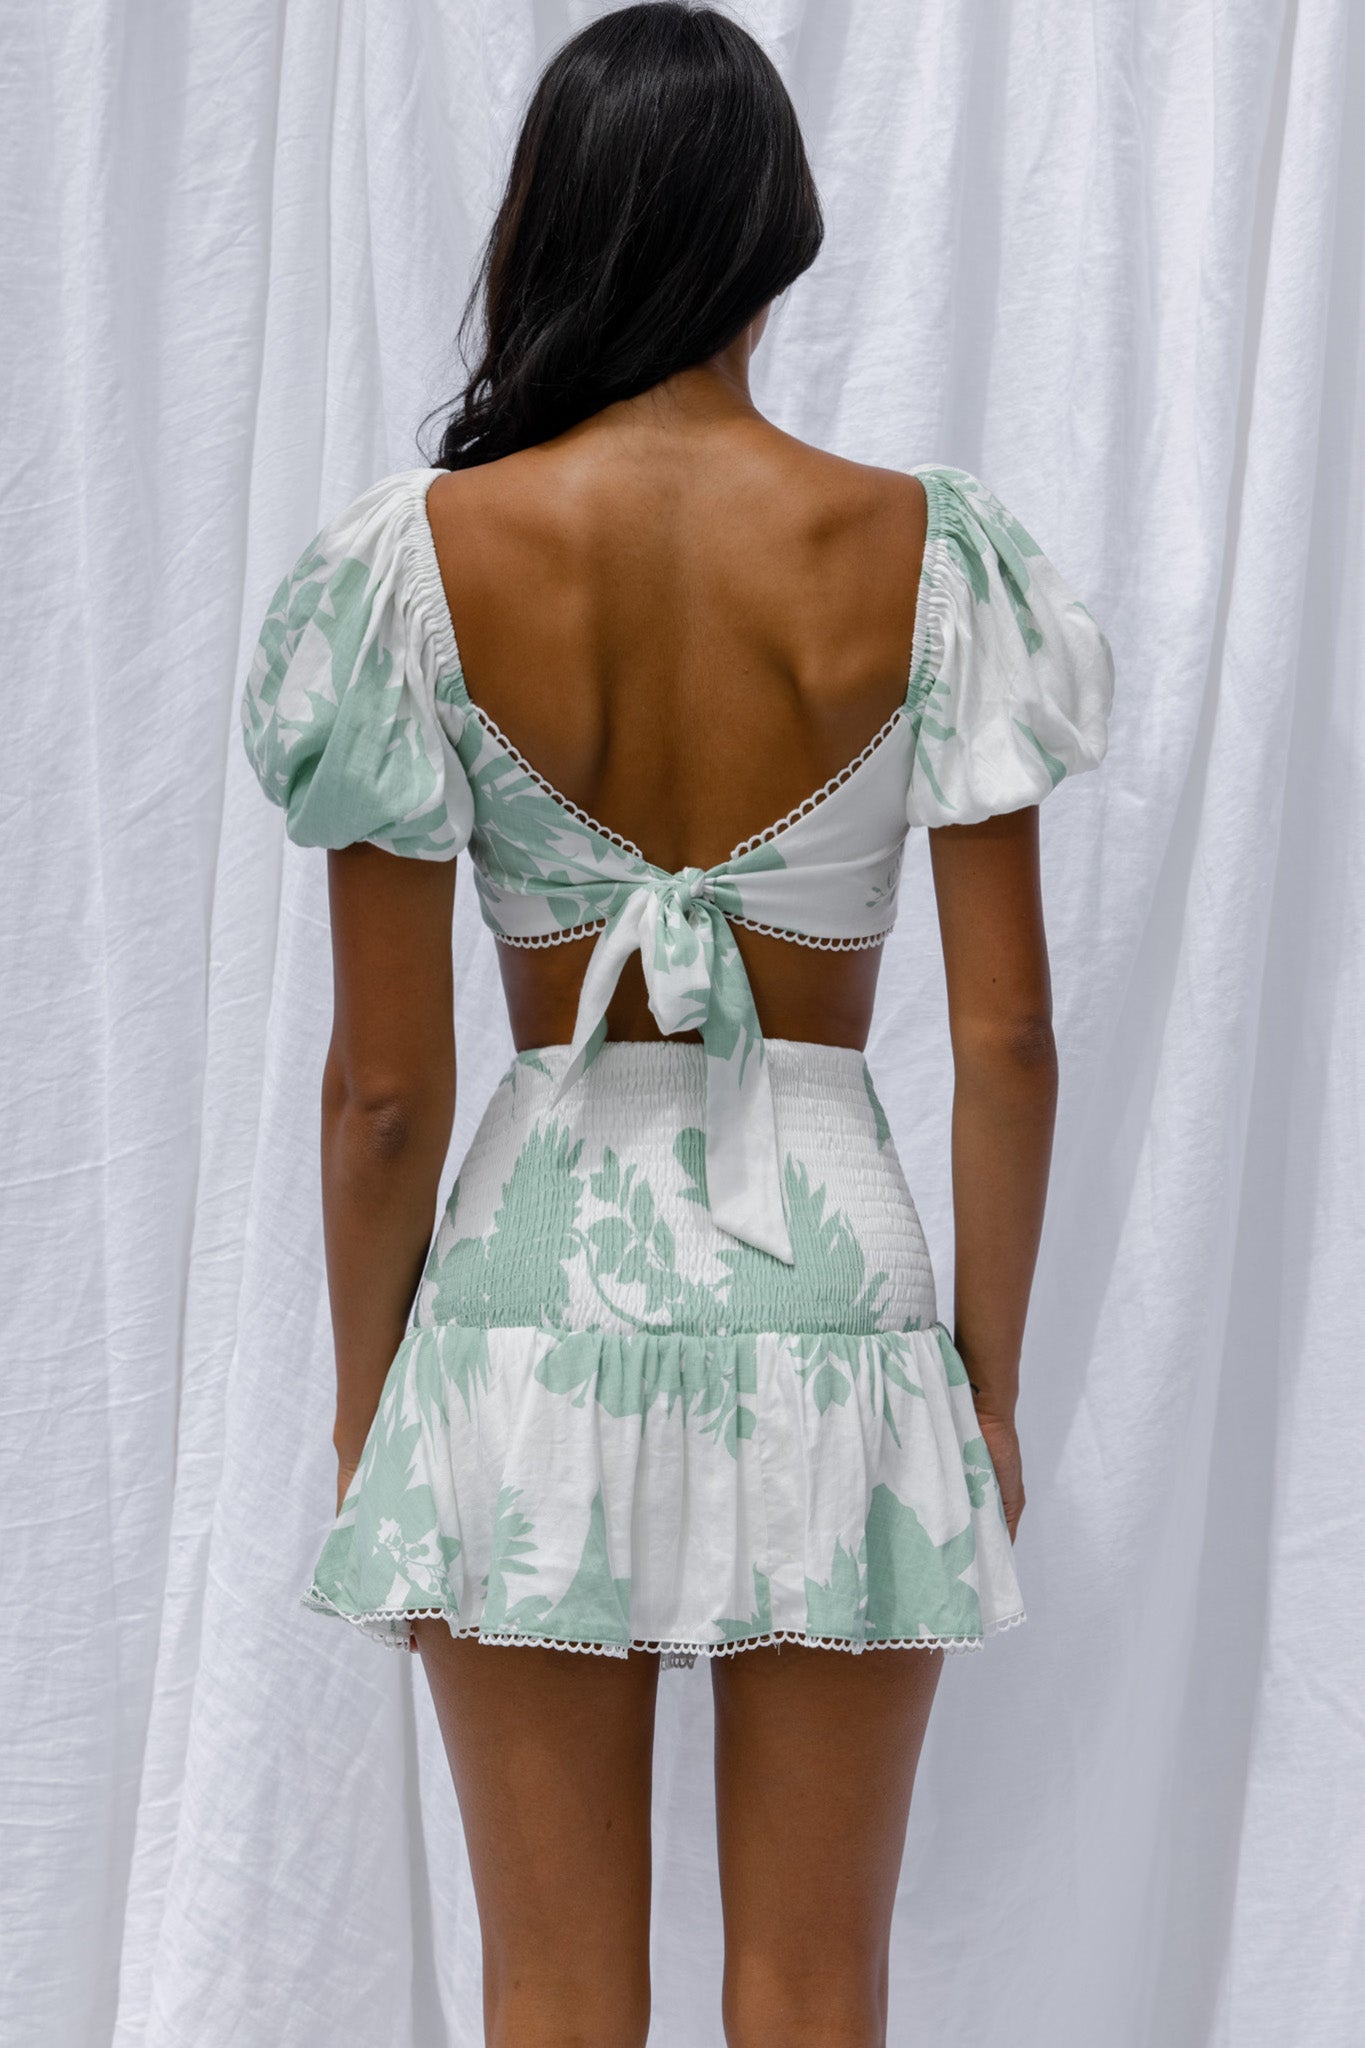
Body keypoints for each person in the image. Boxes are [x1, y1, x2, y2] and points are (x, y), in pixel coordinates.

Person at [240, 6, 1113, 2043]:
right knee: (816, 1983)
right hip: (836, 1285)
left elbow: (383, 1091)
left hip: (528, 1292)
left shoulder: (413, 566)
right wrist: (982, 1385)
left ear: (548, 227)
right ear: (773, 237)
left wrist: (369, 1403)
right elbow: (1008, 1042)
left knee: (550, 1989)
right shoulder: (928, 555)